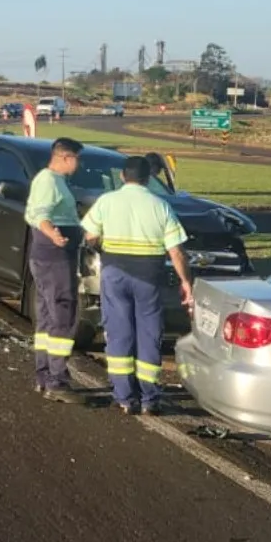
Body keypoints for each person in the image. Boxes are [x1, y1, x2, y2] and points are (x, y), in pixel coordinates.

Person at [82, 155, 193, 415]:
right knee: (149, 334)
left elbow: (90, 236)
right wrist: (185, 282)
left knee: (119, 333)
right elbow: (177, 252)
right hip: (148, 277)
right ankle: (149, 398)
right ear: (148, 178)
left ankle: (124, 397)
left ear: (123, 176)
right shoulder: (160, 205)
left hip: (115, 274)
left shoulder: (106, 202)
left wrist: (104, 248)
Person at [25, 136, 86, 403]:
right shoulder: (48, 181)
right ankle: (57, 379)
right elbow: (40, 214)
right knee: (62, 312)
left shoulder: (55, 181)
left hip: (49, 255)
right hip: (54, 256)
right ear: (64, 157)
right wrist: (55, 236)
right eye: (77, 159)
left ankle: (45, 373)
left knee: (48, 315)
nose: (78, 164)